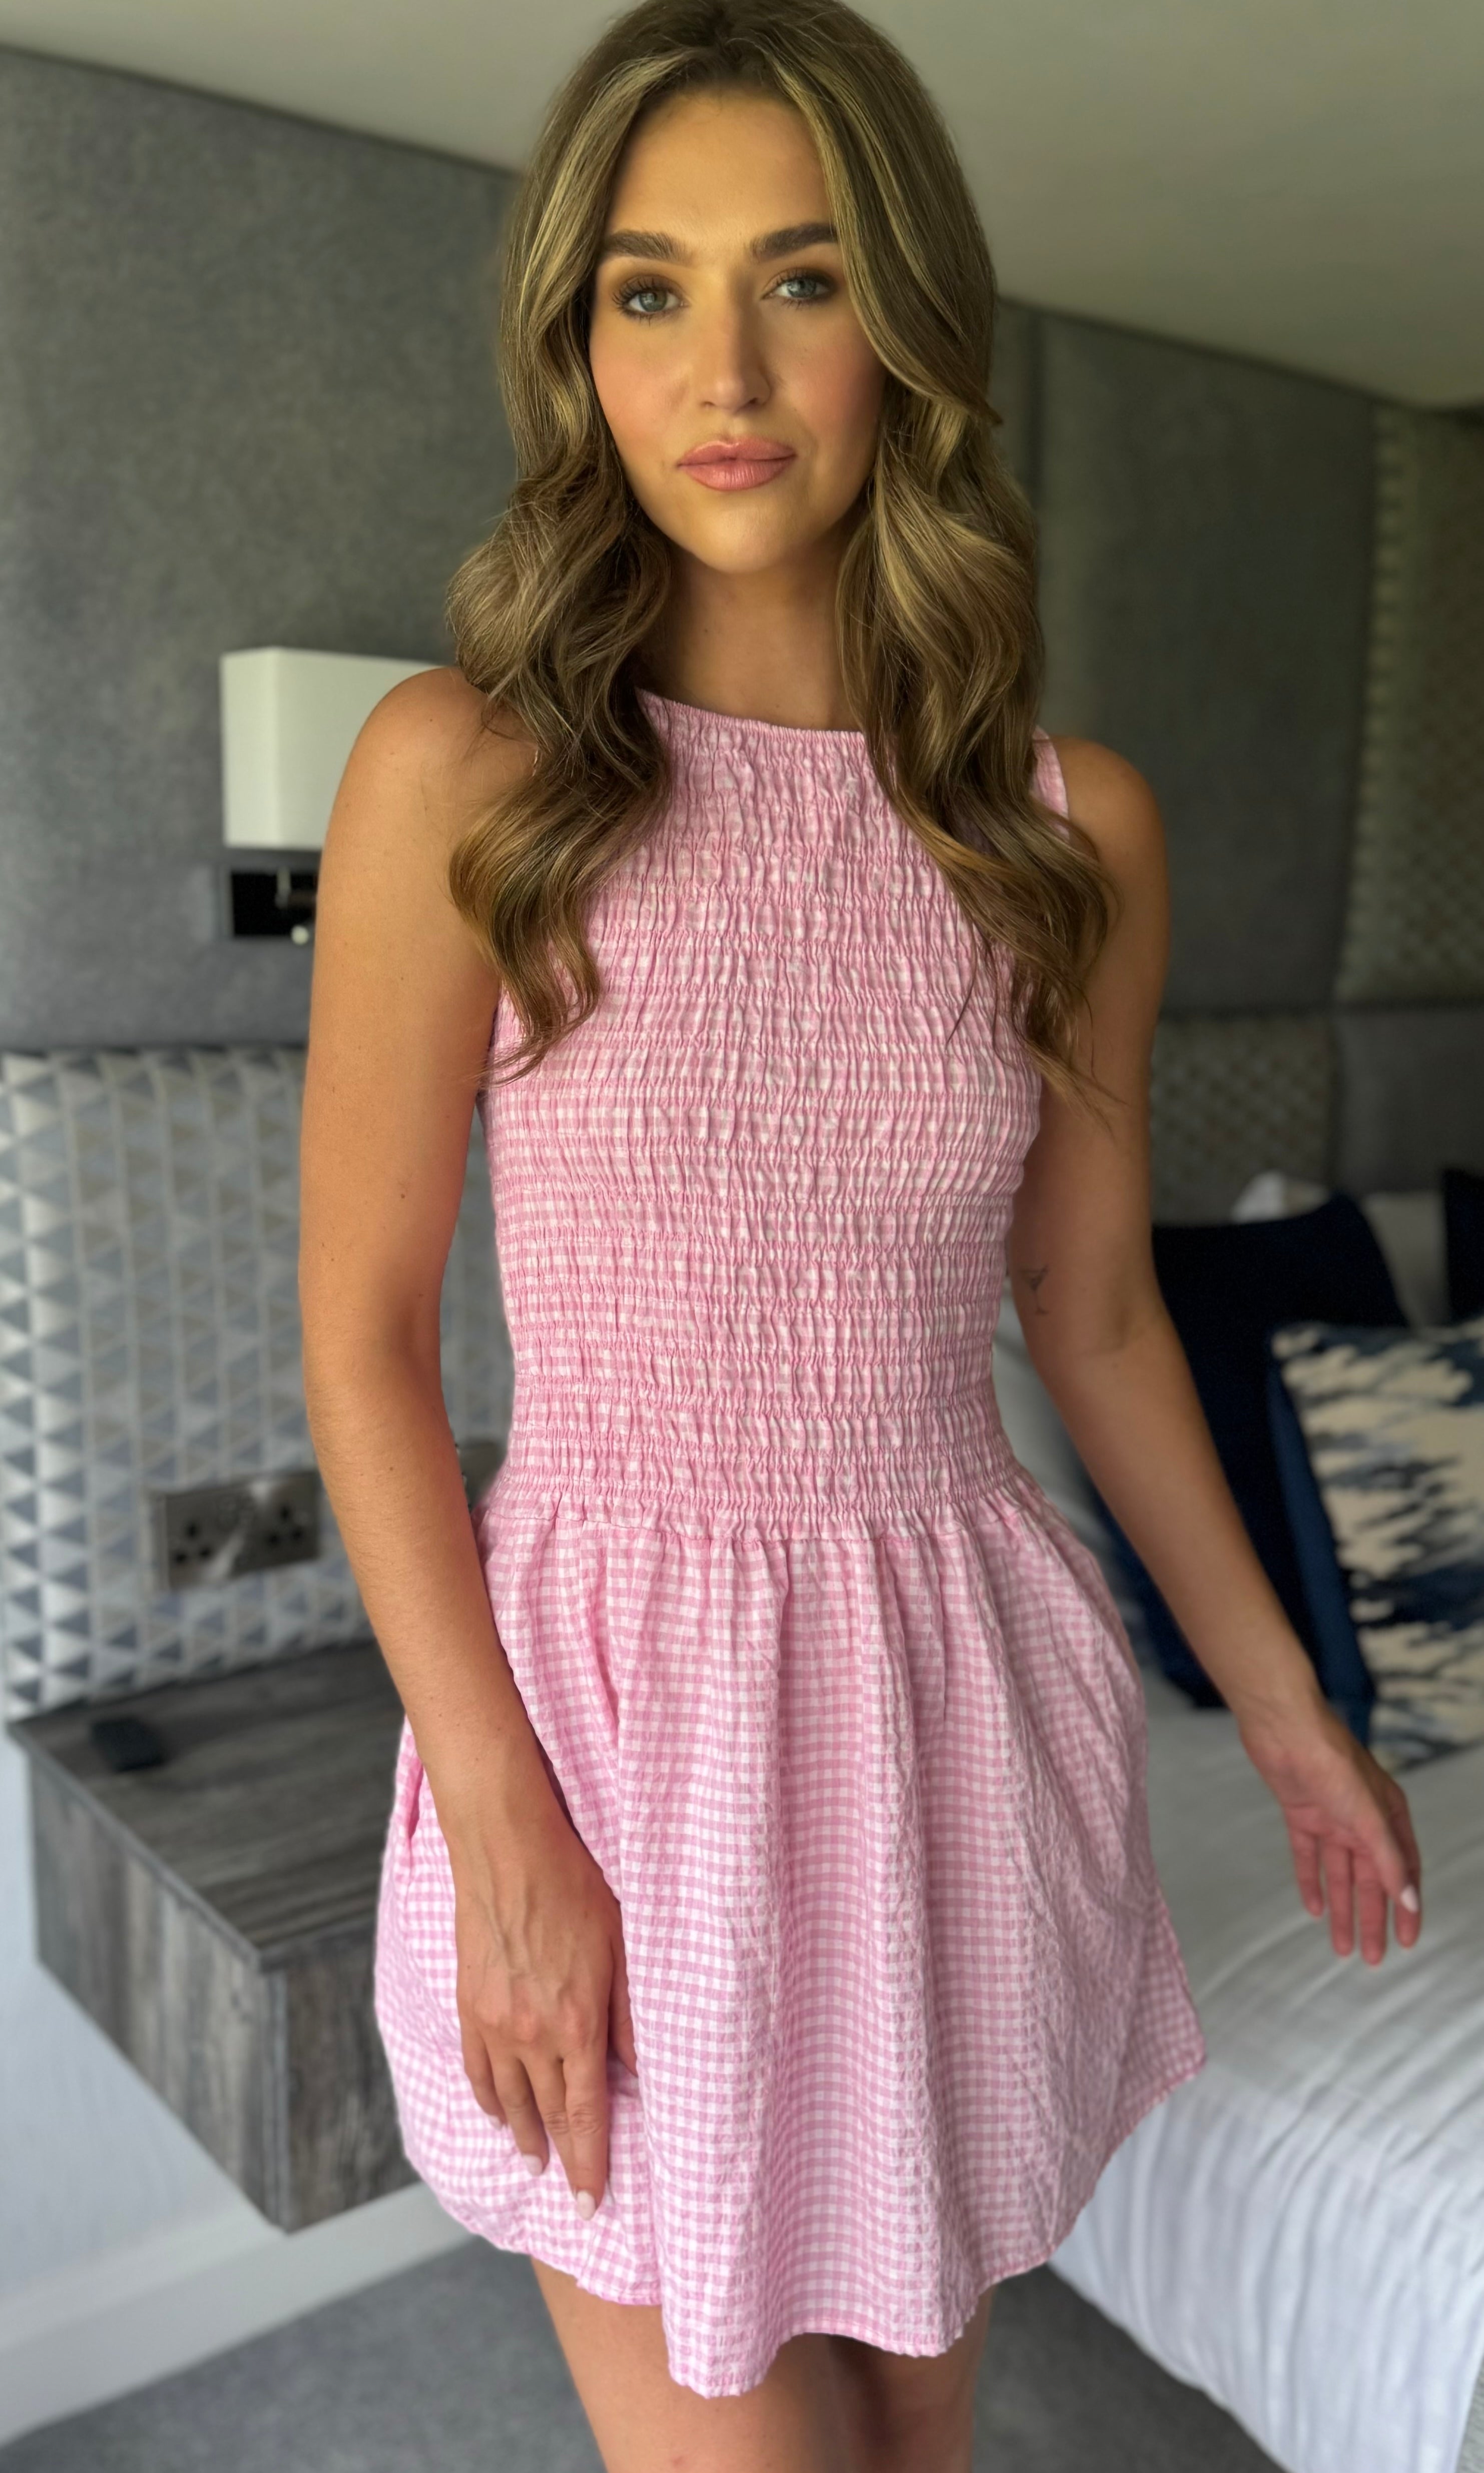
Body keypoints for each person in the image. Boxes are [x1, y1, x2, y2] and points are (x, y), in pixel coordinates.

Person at [298, 3, 1424, 2465]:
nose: (723, 370)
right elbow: (362, 1339)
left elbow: (1093, 1314)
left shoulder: (1063, 834)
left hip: (951, 1722)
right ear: (577, 342)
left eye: (798, 280)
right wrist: (498, 1821)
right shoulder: (465, 777)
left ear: (905, 323)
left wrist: (1278, 1702)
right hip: (612, 1736)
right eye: (649, 287)